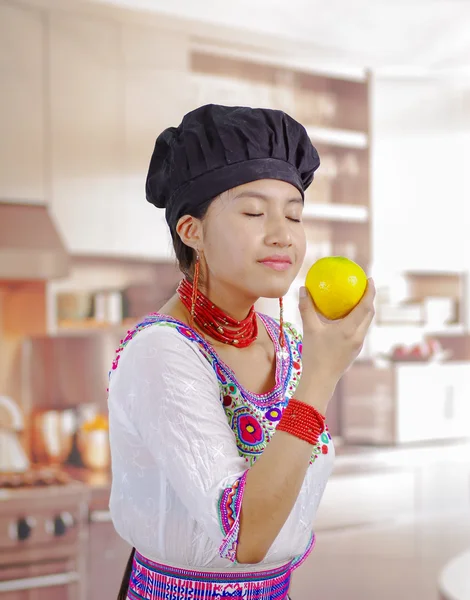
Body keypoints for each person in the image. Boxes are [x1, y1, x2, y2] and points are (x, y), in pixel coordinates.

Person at [108, 103, 375, 600]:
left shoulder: (286, 345)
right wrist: (322, 374)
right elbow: (244, 537)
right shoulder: (161, 353)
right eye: (254, 212)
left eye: (294, 215)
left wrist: (318, 363)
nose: (283, 234)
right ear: (192, 231)